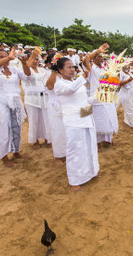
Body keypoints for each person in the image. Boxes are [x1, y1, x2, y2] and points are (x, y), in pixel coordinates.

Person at [53, 57, 99, 192]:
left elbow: (86, 100)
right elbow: (71, 90)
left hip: (86, 115)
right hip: (73, 120)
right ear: (60, 70)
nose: (73, 69)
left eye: (73, 67)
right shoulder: (60, 84)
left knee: (89, 146)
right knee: (75, 150)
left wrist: (101, 94)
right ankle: (74, 180)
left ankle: (92, 172)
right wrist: (85, 73)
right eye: (69, 67)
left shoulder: (76, 82)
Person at [0, 47, 31, 167]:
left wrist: (25, 63)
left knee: (17, 127)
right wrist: (8, 57)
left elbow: (27, 75)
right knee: (2, 130)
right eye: (1, 57)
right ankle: (4, 157)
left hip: (14, 101)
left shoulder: (14, 69)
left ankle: (16, 151)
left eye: (7, 56)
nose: (6, 59)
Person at [83, 44, 118, 147]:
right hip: (96, 97)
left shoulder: (105, 68)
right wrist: (97, 50)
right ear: (94, 58)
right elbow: (85, 60)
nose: (101, 58)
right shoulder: (91, 68)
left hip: (108, 97)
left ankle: (108, 140)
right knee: (98, 120)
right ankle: (97, 143)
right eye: (99, 56)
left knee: (109, 117)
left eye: (102, 56)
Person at [21, 50, 51, 149]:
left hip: (44, 97)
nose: (35, 61)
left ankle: (47, 138)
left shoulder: (42, 70)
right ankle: (35, 140)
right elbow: (28, 76)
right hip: (32, 98)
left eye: (37, 59)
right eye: (34, 59)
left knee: (45, 119)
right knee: (34, 120)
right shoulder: (25, 70)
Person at [44, 53, 67, 165]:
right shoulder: (48, 74)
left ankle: (67, 153)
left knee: (66, 130)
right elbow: (49, 86)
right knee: (57, 130)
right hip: (54, 105)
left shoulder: (64, 74)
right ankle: (58, 156)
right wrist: (54, 71)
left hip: (65, 105)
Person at [119, 64, 133, 130]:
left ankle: (127, 121)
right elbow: (119, 83)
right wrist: (128, 81)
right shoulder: (121, 73)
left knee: (132, 108)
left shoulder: (130, 73)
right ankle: (132, 125)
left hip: (132, 93)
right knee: (129, 108)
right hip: (125, 93)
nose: (128, 66)